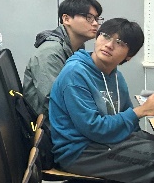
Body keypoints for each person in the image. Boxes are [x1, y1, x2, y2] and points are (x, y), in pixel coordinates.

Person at [49, 18, 154, 182]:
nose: (109, 45)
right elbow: (94, 128)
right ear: (97, 37)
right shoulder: (75, 74)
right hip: (80, 152)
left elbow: (130, 126)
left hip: (106, 142)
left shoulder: (117, 77)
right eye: (106, 36)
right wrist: (142, 111)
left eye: (119, 43)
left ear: (129, 56)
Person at [23, 0, 103, 121]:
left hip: (71, 118)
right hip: (52, 125)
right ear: (66, 19)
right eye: (89, 18)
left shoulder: (77, 48)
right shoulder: (50, 53)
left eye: (97, 19)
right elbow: (54, 102)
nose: (95, 23)